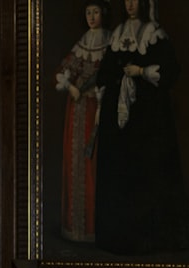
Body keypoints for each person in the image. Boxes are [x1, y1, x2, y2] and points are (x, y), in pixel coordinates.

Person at [93, 0, 189, 255]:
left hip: (148, 117)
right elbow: (104, 72)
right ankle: (118, 237)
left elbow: (171, 70)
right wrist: (113, 85)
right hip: (119, 119)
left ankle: (151, 239)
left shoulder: (153, 32)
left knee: (147, 170)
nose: (130, 5)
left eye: (135, 0)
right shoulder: (117, 33)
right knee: (120, 171)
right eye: (126, 0)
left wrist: (142, 71)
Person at [54, 1, 111, 243]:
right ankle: (75, 228)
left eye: (95, 11)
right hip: (77, 110)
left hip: (98, 109)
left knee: (96, 164)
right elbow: (63, 71)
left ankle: (95, 229)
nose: (91, 16)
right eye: (88, 12)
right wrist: (71, 87)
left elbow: (109, 75)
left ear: (103, 14)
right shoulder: (82, 42)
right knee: (75, 161)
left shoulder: (111, 41)